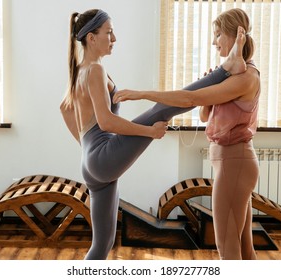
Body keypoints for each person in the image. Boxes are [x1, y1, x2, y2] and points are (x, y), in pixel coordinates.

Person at [60, 8, 246, 260]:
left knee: (102, 244)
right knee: (162, 110)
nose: (114, 38)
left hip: (91, 163)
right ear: (91, 38)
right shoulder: (95, 70)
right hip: (101, 157)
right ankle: (226, 68)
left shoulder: (80, 69)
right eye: (109, 32)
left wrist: (87, 149)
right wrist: (149, 131)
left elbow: (65, 109)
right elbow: (106, 122)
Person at [113, 8, 259, 260]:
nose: (214, 42)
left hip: (235, 162)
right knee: (244, 249)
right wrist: (212, 88)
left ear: (236, 36)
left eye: (217, 35)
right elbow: (204, 115)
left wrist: (143, 94)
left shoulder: (245, 78)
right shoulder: (235, 76)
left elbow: (188, 98)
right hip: (231, 162)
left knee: (228, 248)